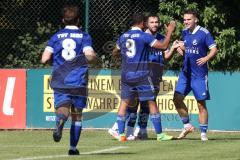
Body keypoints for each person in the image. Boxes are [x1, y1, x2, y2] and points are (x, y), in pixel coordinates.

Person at [108, 14, 179, 140]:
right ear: (142, 23)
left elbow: (114, 52)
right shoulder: (144, 36)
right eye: (147, 22)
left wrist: (124, 58)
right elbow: (163, 46)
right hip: (141, 74)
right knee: (151, 102)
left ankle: (122, 134)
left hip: (126, 74)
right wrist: (170, 32)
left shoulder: (123, 36)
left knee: (124, 103)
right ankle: (160, 135)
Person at [41, 5, 96, 155]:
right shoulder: (84, 36)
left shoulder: (55, 37)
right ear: (79, 20)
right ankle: (72, 148)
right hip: (78, 80)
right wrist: (93, 57)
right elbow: (90, 55)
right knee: (77, 115)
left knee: (63, 108)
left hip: (60, 79)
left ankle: (59, 121)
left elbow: (44, 58)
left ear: (63, 20)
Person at [173, 9, 218, 141]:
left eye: (189, 19)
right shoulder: (184, 32)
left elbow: (214, 49)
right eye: (184, 19)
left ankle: (203, 133)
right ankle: (187, 125)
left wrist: (206, 58)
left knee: (200, 104)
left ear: (196, 19)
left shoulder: (204, 33)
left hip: (199, 74)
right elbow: (188, 51)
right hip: (185, 73)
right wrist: (179, 49)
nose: (186, 22)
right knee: (176, 98)